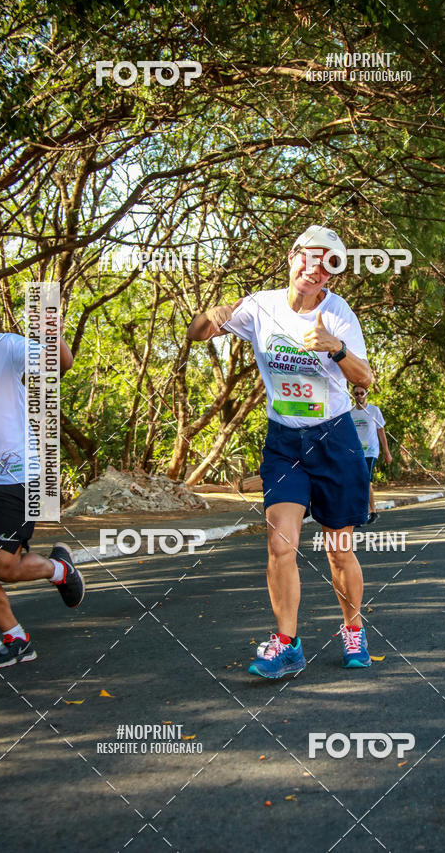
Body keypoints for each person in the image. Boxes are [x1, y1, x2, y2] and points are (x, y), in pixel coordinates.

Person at [187, 225, 373, 677]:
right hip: (285, 441)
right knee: (279, 542)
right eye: (309, 257)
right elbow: (196, 334)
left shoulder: (339, 313)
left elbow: (364, 377)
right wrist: (212, 313)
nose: (315, 269)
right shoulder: (260, 306)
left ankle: (353, 629)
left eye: (328, 264)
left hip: (334, 439)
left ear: (333, 275)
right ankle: (287, 643)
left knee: (339, 550)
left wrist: (337, 348)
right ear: (292, 257)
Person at [0, 269, 85, 669]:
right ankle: (16, 639)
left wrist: (54, 331)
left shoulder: (5, 347)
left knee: (2, 566)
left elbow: (59, 366)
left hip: (16, 475)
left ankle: (59, 569)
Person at [350, 386, 392, 524]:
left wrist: (387, 452)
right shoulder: (350, 412)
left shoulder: (374, 410)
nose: (359, 396)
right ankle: (360, 513)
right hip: (356, 452)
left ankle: (372, 512)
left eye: (362, 393)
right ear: (353, 395)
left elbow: (381, 431)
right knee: (356, 482)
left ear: (366, 394)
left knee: (365, 480)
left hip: (371, 451)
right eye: (356, 393)